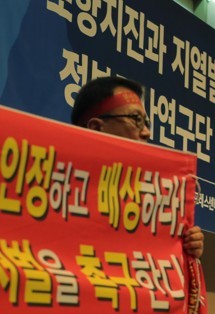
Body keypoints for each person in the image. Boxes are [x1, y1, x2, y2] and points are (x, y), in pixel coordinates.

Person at [71, 76, 204, 258]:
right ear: (95, 127)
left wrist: (185, 252)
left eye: (146, 123)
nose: (147, 132)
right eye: (136, 119)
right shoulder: (55, 186)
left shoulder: (157, 202)